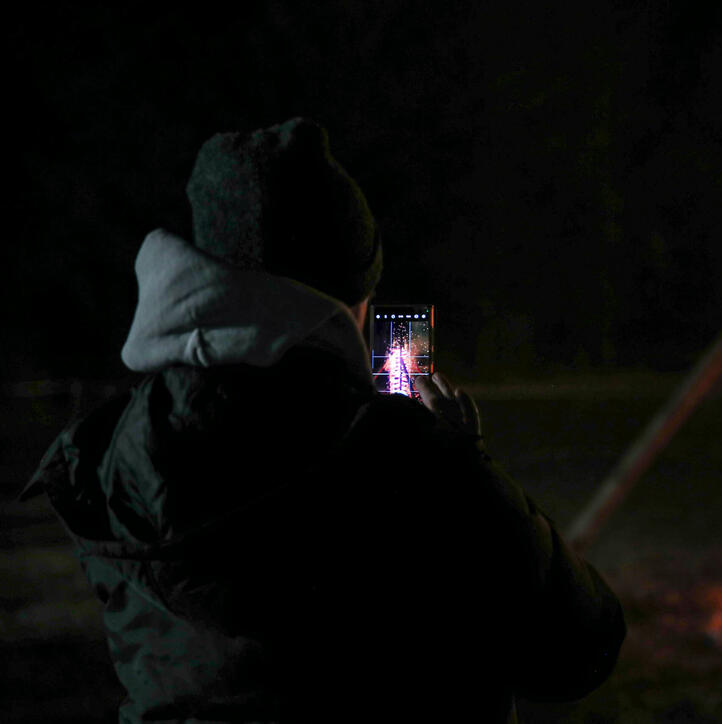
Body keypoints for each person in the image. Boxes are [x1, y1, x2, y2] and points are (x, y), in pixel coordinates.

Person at [22, 118, 625, 723]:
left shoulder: (109, 455)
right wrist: (464, 463)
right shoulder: (404, 458)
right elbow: (576, 647)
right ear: (344, 299)